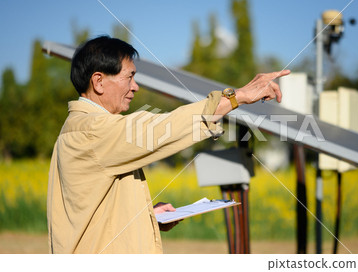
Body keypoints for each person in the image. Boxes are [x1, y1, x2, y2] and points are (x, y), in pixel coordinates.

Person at [47, 35, 290, 254]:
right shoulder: (91, 131)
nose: (135, 86)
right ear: (98, 82)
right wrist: (239, 97)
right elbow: (165, 128)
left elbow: (92, 215)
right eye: (129, 76)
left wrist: (145, 217)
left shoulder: (85, 128)